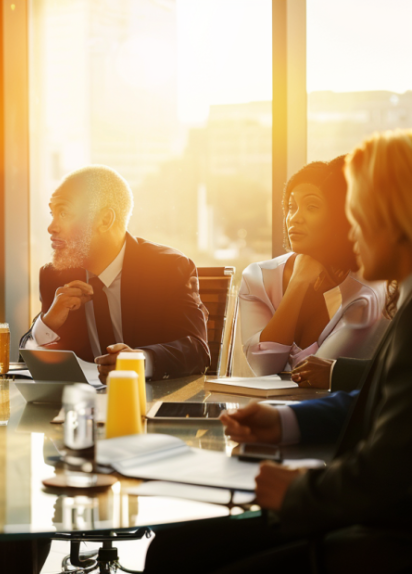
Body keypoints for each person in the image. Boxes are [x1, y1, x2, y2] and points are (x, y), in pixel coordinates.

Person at [144, 129, 412, 574]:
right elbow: (378, 403)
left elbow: (387, 472)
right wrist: (285, 419)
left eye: (356, 214)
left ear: (393, 218)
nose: (350, 230)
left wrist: (298, 492)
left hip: (382, 540)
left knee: (179, 554)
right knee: (176, 546)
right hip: (362, 513)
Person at [22, 165, 209, 382]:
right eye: (53, 214)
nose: (51, 227)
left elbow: (196, 351)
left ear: (105, 220)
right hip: (81, 408)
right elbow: (24, 361)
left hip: (151, 405)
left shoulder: (167, 268)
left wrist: (140, 361)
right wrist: (48, 323)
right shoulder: (54, 276)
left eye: (64, 213)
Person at [239, 155, 387, 389]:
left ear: (339, 216)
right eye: (291, 207)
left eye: (312, 206)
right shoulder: (257, 278)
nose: (294, 218)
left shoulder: (367, 290)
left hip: (331, 418)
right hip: (269, 415)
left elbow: (317, 378)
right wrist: (298, 283)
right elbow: (264, 368)